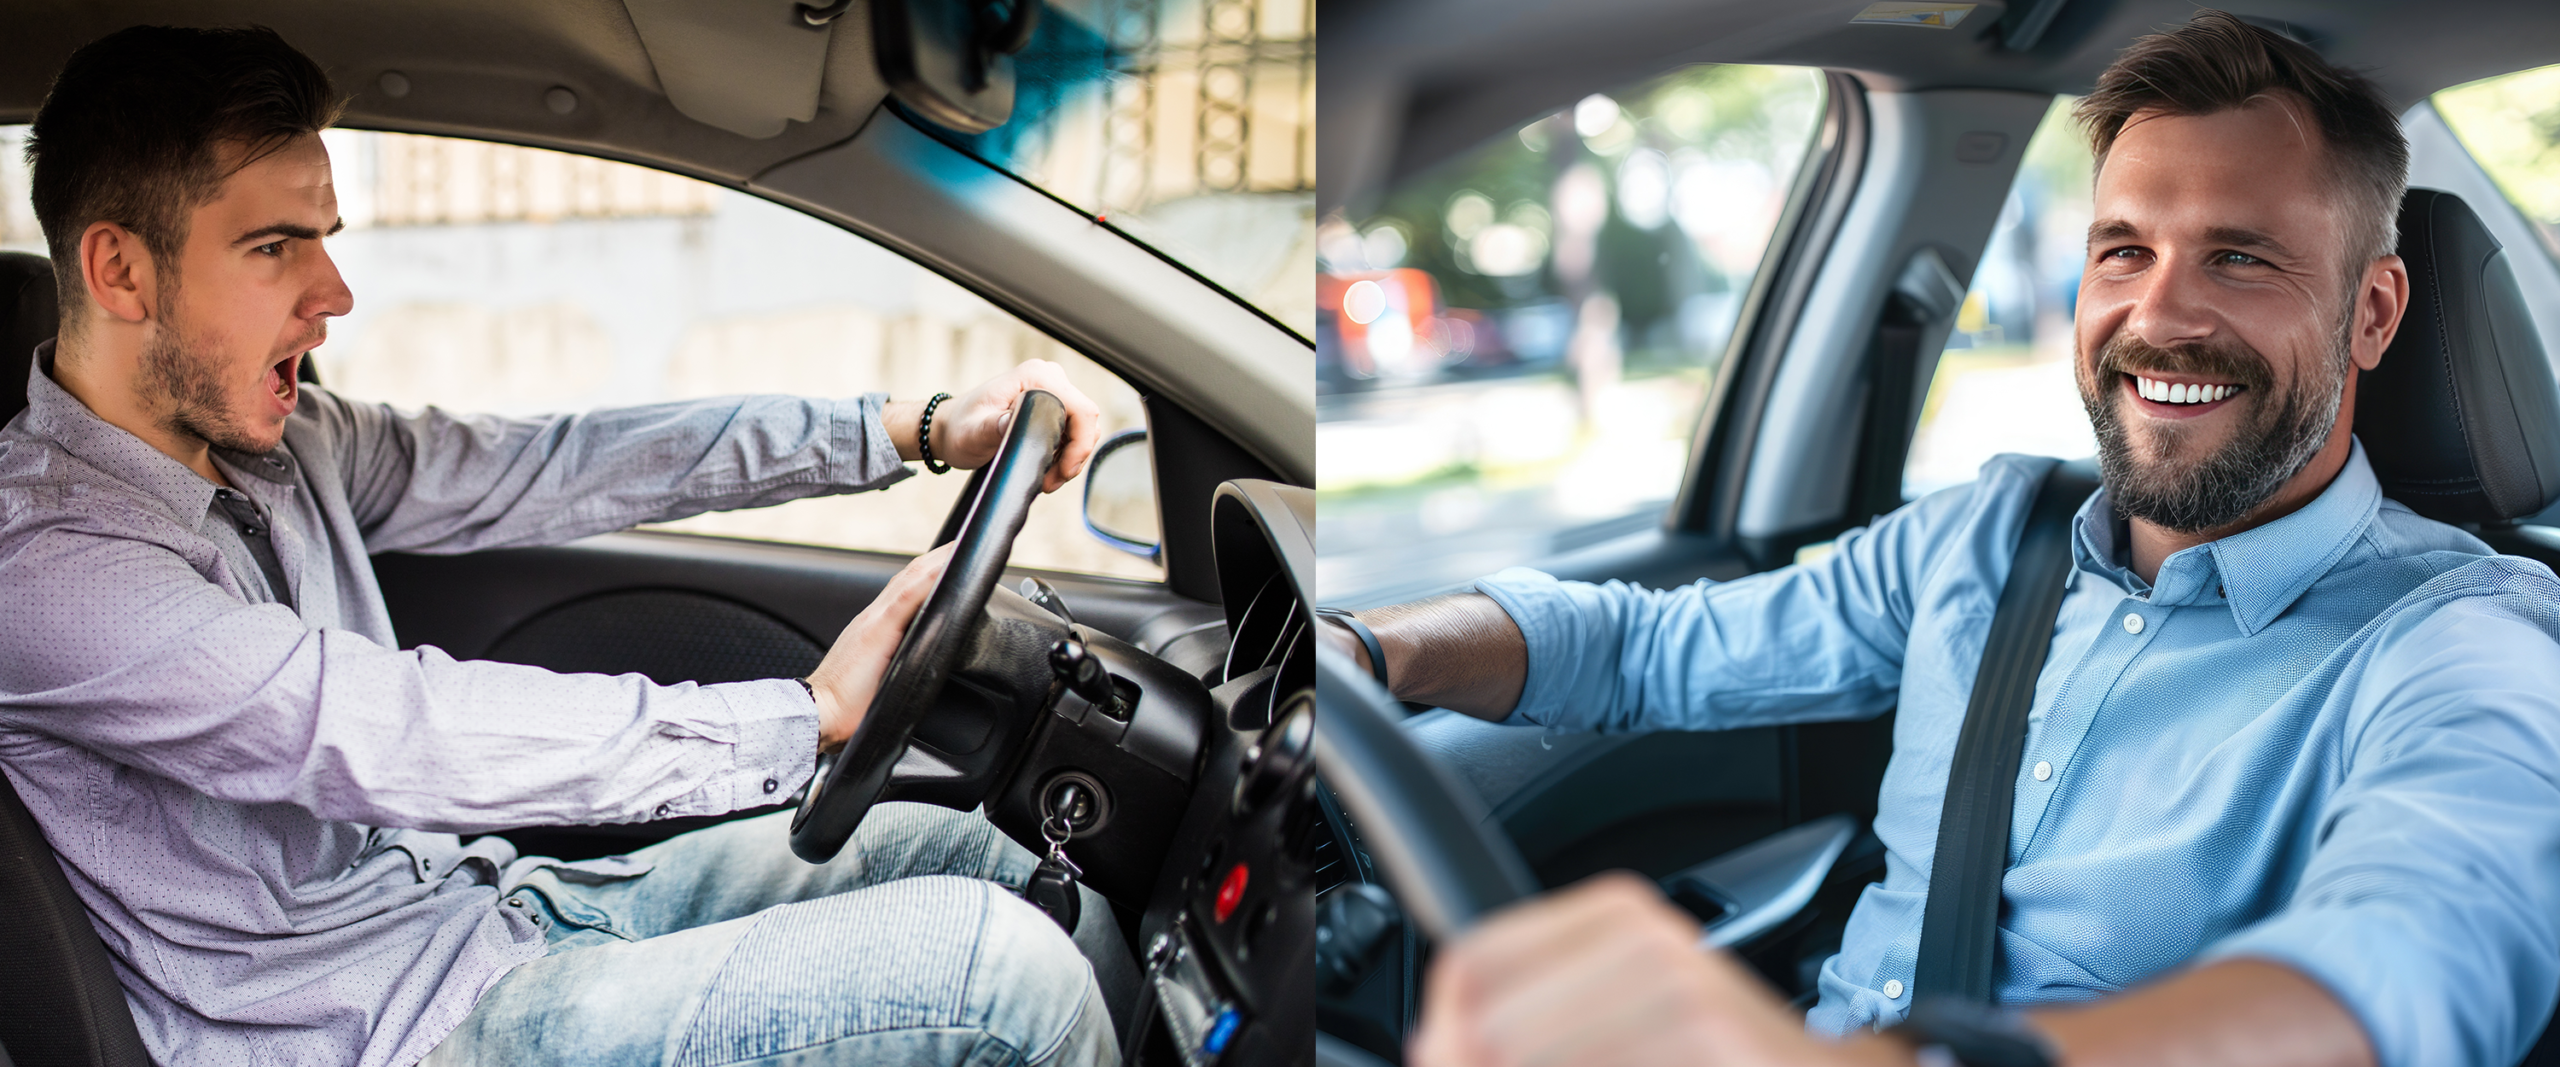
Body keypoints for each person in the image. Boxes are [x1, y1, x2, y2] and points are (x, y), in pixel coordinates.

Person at [1323, 13, 2560, 1067]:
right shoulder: (1985, 535)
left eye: (2239, 258)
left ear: (2372, 313)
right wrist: (1369, 651)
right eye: (2122, 250)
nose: (2158, 313)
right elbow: (1648, 642)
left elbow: (2413, 958)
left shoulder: (2461, 638)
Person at [0, 24, 1129, 1067]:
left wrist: (912, 430)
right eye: (274, 247)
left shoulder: (285, 444)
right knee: (1002, 976)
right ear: (120, 271)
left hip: (483, 909)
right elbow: (385, 726)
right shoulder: (48, 570)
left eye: (324, 241)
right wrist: (807, 711)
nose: (334, 292)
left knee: (962, 854)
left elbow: (560, 461)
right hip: (366, 1029)